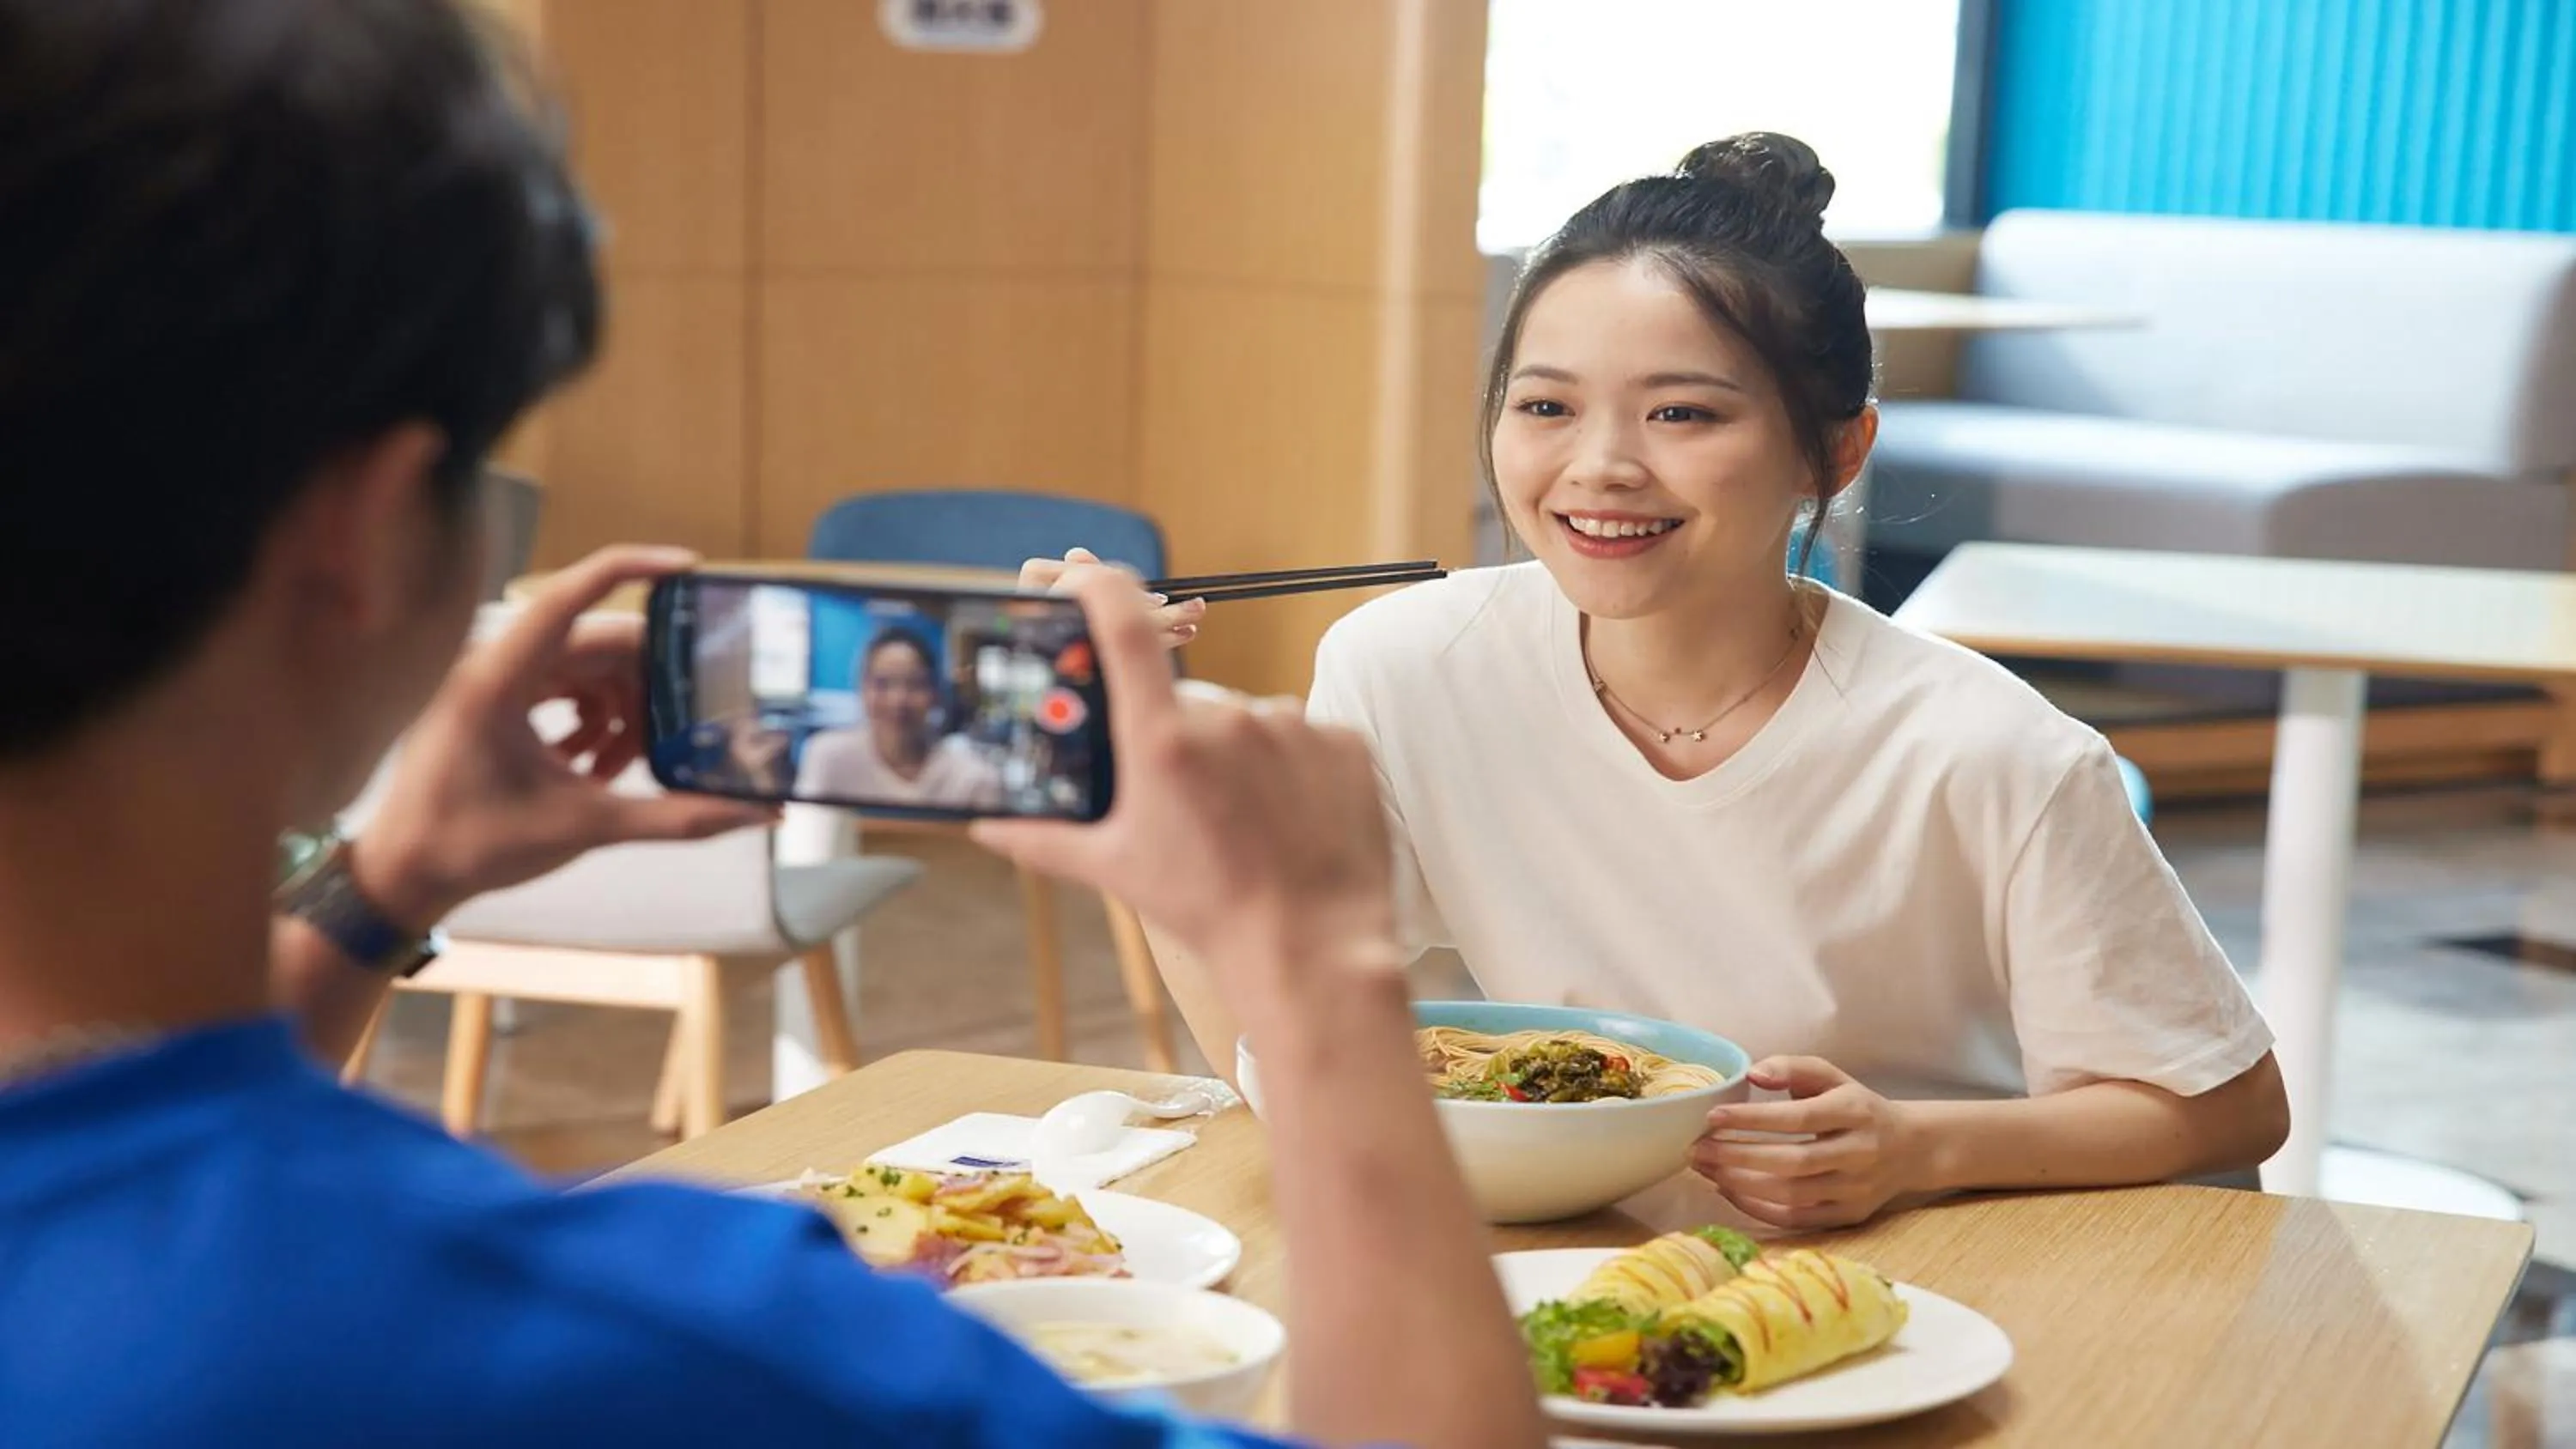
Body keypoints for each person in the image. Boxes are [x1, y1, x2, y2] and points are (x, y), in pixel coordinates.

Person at [0, 4, 1544, 1446]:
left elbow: (126, 1127)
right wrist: (1332, 982)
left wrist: (385, 882)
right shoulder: (647, 1337)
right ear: (376, 530)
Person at [1036, 133, 2290, 1231]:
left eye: (1683, 416)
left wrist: (1916, 1147)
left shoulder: (1987, 749)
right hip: (1609, 1250)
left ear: (1834, 448)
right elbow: (1295, 1051)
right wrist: (1125, 743)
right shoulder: (1408, 665)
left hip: (1954, 1254)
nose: (1599, 468)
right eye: (1544, 406)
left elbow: (2229, 1105)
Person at [794, 626, 1007, 809]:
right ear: (862, 689)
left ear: (936, 694)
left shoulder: (973, 779)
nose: (898, 701)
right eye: (882, 684)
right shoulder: (828, 757)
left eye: (914, 685)